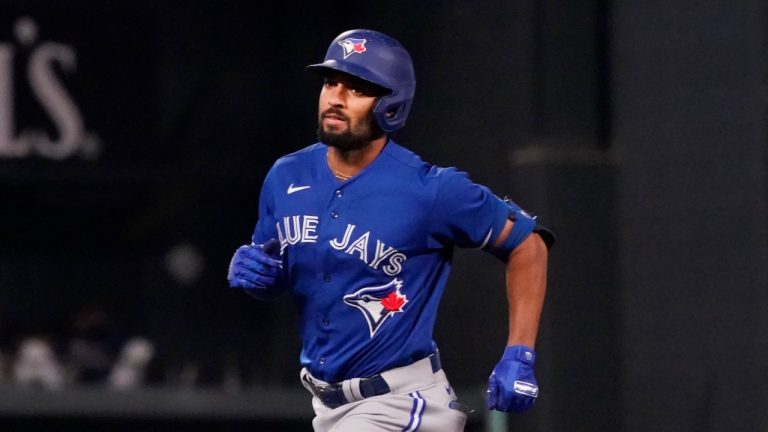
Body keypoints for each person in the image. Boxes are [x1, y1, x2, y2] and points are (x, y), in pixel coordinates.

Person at [227, 29, 554, 432]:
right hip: (328, 408)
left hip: (401, 405)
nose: (335, 97)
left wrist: (519, 353)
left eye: (358, 89)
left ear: (391, 106)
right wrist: (263, 278)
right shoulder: (286, 176)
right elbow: (279, 272)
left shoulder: (430, 190)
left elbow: (528, 243)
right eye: (331, 82)